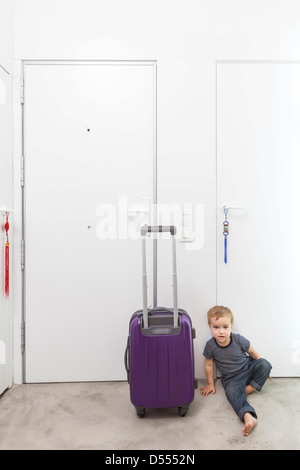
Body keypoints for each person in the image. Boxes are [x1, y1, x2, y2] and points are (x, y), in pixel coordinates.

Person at [200, 305, 272, 436]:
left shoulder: (238, 339)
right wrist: (210, 384)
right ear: (210, 326)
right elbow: (209, 365)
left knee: (265, 364)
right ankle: (248, 417)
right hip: (231, 378)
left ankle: (247, 390)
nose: (221, 331)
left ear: (231, 326)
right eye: (216, 327)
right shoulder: (210, 345)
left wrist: (262, 367)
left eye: (225, 327)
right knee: (231, 392)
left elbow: (252, 352)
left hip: (248, 368)